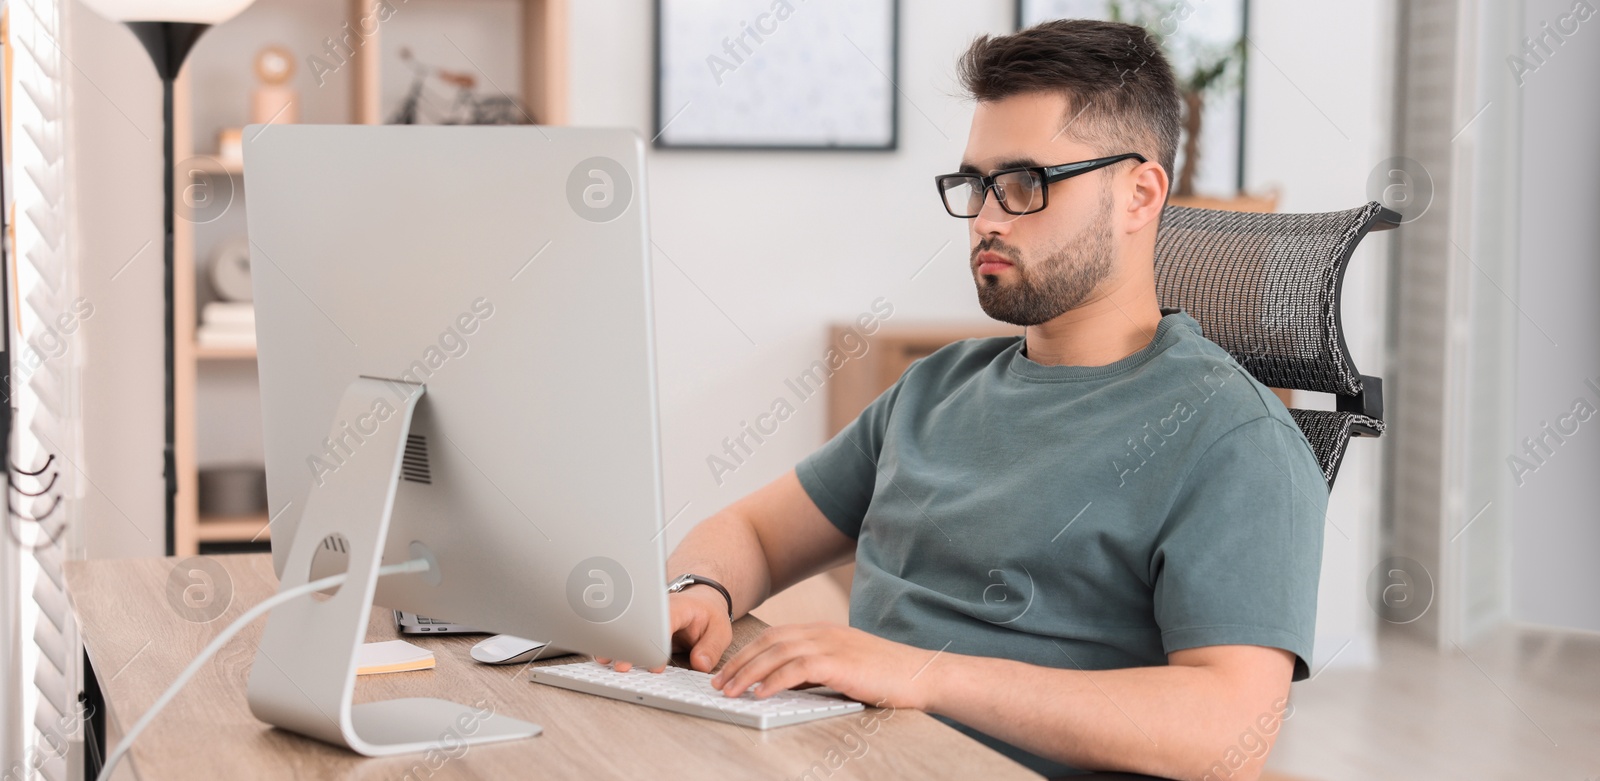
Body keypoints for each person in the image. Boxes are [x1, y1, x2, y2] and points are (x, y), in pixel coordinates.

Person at [603, 18, 1328, 781]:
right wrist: (699, 589)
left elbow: (1228, 728)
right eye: (975, 184)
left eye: (1023, 184)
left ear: (1140, 192)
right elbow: (753, 530)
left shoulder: (1232, 437)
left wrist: (922, 672)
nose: (985, 217)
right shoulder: (937, 388)